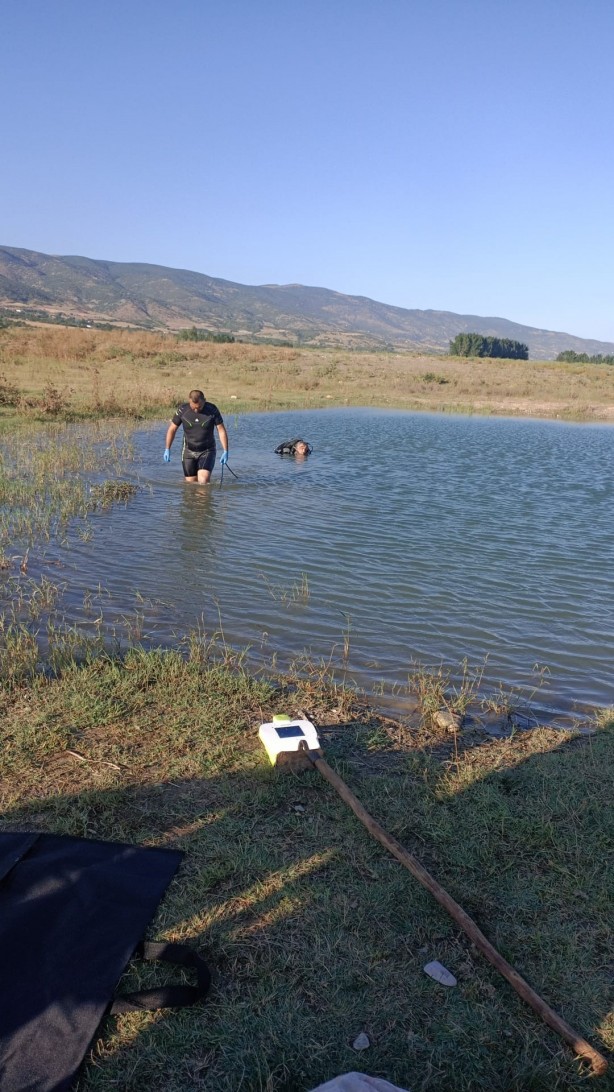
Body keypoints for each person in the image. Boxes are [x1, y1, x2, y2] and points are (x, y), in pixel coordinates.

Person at [163, 389, 229, 484]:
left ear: (204, 400)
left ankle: (203, 498)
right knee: (190, 484)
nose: (196, 410)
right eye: (193, 407)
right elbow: (172, 429)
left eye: (199, 407)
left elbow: (221, 430)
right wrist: (167, 448)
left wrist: (225, 450)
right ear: (189, 401)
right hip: (188, 451)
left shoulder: (212, 410)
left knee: (203, 481)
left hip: (207, 450)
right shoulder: (183, 410)